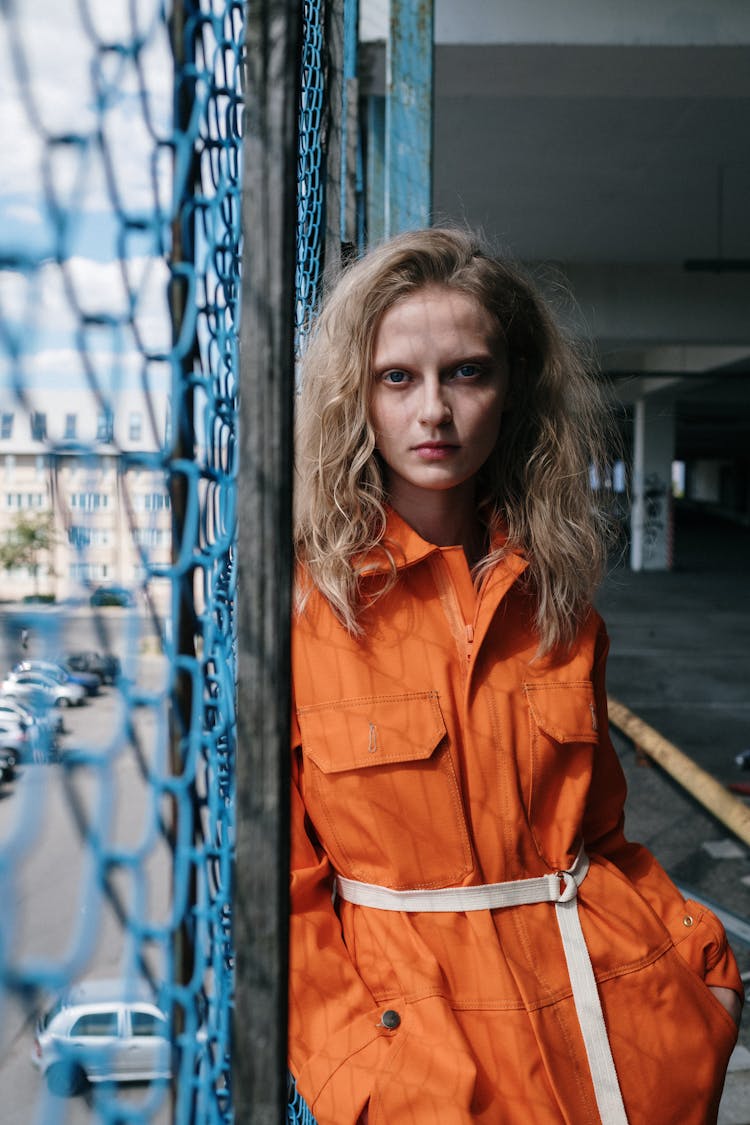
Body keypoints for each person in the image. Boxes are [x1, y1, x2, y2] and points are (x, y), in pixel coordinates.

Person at [288, 228, 743, 1125]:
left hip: (617, 1051)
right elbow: (281, 894)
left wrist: (700, 963)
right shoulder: (305, 610)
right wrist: (370, 1083)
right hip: (435, 1081)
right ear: (355, 395)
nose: (434, 412)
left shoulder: (556, 600)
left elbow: (600, 837)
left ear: (511, 390)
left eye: (466, 372)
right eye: (397, 378)